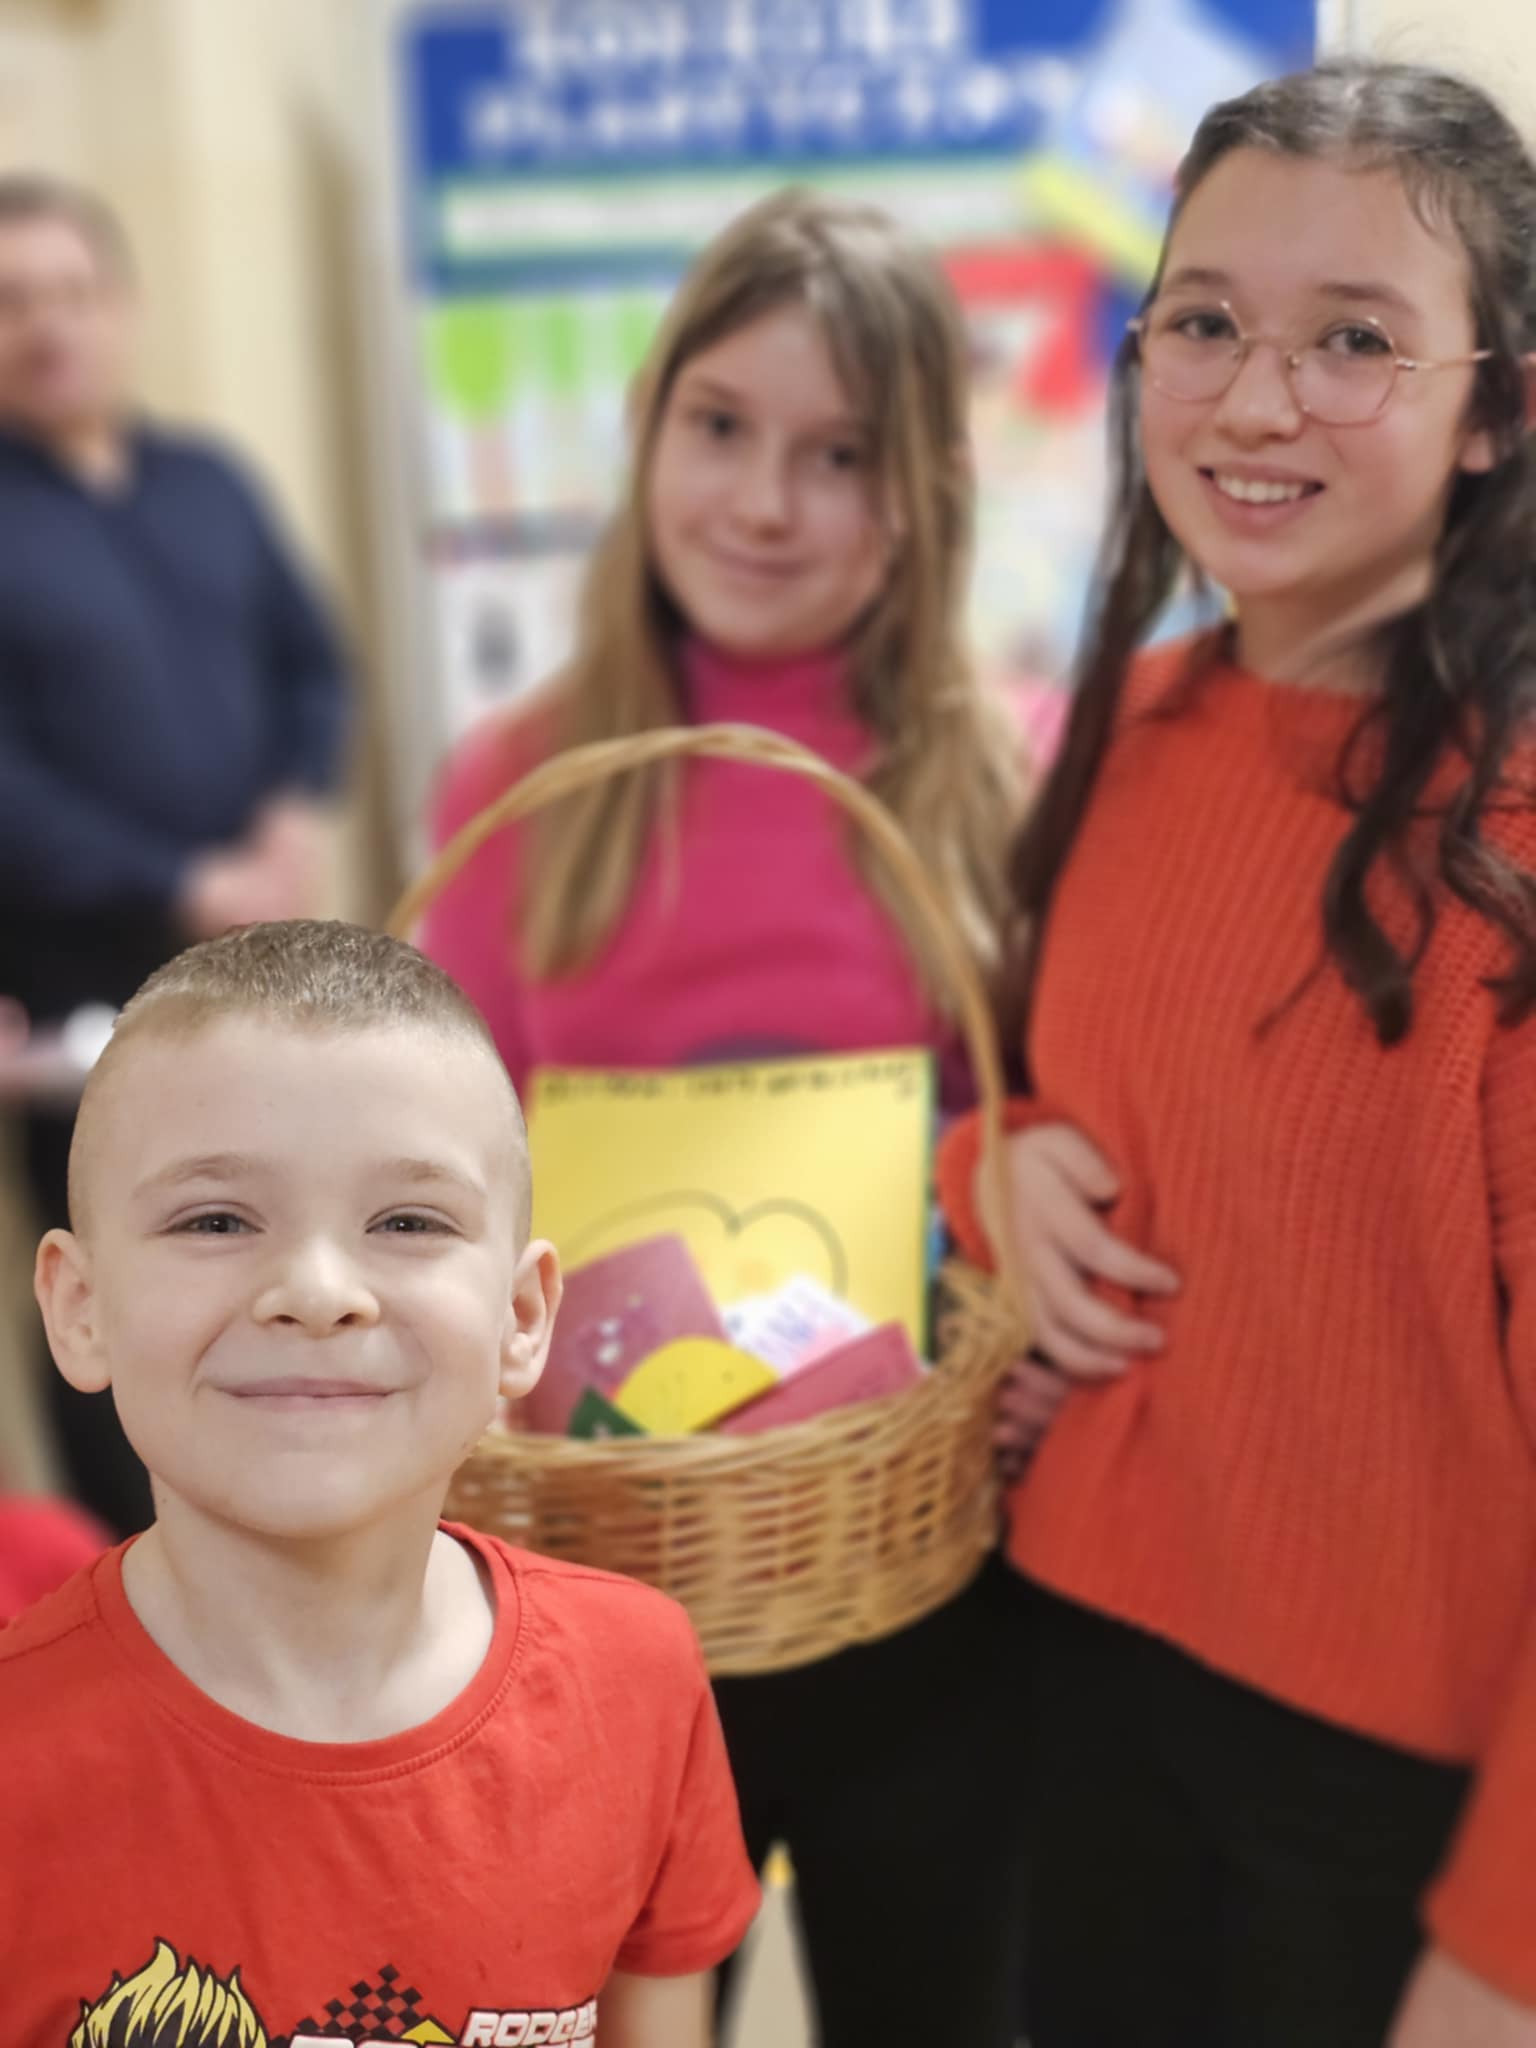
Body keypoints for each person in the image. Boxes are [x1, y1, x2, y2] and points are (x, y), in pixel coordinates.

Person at [938, 59, 1536, 2048]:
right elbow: (1067, 1093)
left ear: (1498, 411)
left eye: (1355, 340)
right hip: (1079, 1673)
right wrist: (988, 1164)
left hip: (1398, 1810)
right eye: (1202, 321)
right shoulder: (1132, 726)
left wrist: (1502, 1956)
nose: (1255, 402)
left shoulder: (1512, 834)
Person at [422, 190, 1058, 2047]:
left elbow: (1044, 1147)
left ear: (924, 490)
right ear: (648, 427)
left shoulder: (1007, 773)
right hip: (593, 1581)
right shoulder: (522, 784)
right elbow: (446, 1178)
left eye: (837, 454)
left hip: (914, 1580)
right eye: (721, 426)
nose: (764, 503)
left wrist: (1027, 1328)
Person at [1, 919, 758, 2045]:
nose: (317, 1291)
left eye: (407, 1220)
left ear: (520, 1316)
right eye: (216, 1219)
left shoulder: (637, 1680)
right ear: (79, 1307)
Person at [0, 175, 351, 1537]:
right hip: (73, 983)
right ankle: (134, 1570)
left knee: (273, 1232)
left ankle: (282, 1525)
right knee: (117, 1275)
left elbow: (313, 665)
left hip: (256, 961)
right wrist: (178, 879)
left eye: (72, 293)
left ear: (121, 308)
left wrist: (291, 815)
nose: (48, 326)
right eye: (13, 303)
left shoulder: (210, 483)